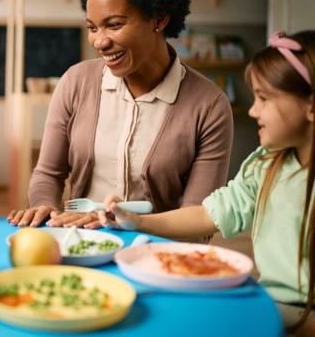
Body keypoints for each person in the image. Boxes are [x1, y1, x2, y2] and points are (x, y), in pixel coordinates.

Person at [8, 0, 233, 229]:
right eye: (92, 27)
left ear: (159, 18)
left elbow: (200, 217)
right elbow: (48, 174)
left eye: (114, 25)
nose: (99, 42)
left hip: (156, 255)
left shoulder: (209, 106)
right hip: (82, 243)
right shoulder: (75, 83)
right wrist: (44, 206)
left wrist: (124, 223)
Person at [98, 31, 315, 335]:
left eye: (264, 99)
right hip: (270, 305)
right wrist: (136, 221)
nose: (253, 111)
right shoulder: (266, 165)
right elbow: (207, 214)